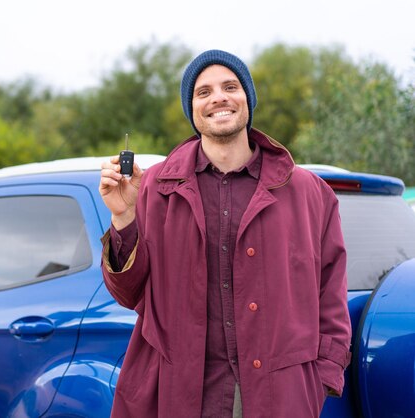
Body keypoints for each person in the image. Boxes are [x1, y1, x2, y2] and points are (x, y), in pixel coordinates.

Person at [98, 50, 352, 418]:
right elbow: (128, 294)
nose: (218, 97)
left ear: (247, 99)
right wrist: (123, 216)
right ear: (192, 109)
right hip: (180, 393)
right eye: (203, 92)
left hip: (277, 396)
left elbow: (331, 295)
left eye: (230, 86)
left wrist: (322, 376)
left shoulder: (309, 192)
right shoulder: (155, 187)